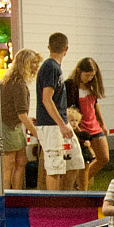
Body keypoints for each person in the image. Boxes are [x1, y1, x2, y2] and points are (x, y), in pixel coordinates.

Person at [33, 32, 83, 190]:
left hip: (58, 123)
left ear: (49, 47)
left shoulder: (54, 67)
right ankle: (54, 202)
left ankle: (66, 196)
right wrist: (62, 124)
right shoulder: (50, 67)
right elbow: (47, 98)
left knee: (74, 160)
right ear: (66, 48)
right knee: (54, 166)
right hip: (52, 124)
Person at [0, 48, 40, 191]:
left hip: (12, 126)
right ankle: (10, 194)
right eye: (34, 63)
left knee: (21, 160)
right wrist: (37, 134)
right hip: (9, 127)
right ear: (25, 64)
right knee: (9, 163)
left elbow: (13, 109)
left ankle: (15, 191)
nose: (36, 66)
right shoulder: (18, 84)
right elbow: (21, 114)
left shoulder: (10, 80)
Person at [66, 57, 110, 188]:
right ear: (79, 71)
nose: (89, 78)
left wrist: (102, 123)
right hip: (81, 128)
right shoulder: (70, 86)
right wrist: (76, 129)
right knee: (84, 162)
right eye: (87, 75)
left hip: (94, 126)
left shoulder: (91, 86)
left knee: (104, 158)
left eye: (92, 76)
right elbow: (69, 110)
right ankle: (82, 189)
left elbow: (95, 105)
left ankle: (78, 183)